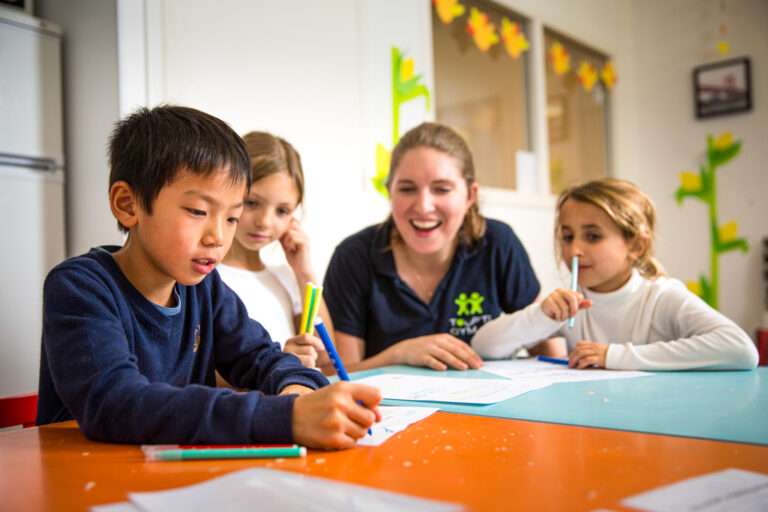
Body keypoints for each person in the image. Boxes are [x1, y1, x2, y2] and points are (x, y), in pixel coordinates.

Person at [37, 105, 380, 448]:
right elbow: (116, 405)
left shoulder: (205, 289)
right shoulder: (80, 287)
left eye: (231, 218)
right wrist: (285, 417)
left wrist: (298, 393)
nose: (218, 237)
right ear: (128, 205)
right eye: (198, 212)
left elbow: (267, 359)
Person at [472, 178, 759, 371]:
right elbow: (484, 347)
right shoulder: (573, 304)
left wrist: (614, 356)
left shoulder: (661, 297)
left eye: (593, 236)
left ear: (636, 245)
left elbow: (741, 349)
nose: (574, 250)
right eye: (567, 236)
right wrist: (540, 315)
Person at [323, 122, 541, 372]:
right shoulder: (353, 257)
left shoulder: (498, 243)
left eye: (441, 189)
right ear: (389, 192)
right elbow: (340, 374)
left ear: (470, 195)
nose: (424, 206)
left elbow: (548, 355)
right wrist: (401, 353)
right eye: (407, 189)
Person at [218, 131, 333, 372]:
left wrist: (303, 270)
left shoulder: (286, 277)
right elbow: (203, 370)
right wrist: (276, 362)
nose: (265, 222)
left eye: (282, 211)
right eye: (251, 203)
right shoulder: (208, 276)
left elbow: (326, 358)